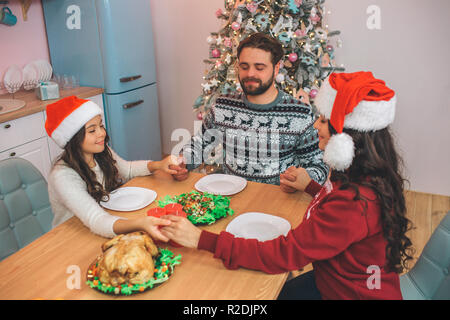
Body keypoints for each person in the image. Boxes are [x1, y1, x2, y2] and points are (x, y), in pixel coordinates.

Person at [160, 71, 414, 300]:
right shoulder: (365, 179)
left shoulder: (353, 203)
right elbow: (339, 214)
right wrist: (312, 188)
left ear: (349, 137)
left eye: (324, 120)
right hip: (337, 278)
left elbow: (285, 254)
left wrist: (200, 239)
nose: (316, 126)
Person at [174, 32, 328, 186]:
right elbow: (200, 144)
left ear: (276, 68)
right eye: (244, 66)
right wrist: (183, 161)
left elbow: (319, 166)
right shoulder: (223, 105)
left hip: (279, 201)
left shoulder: (300, 114)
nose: (250, 74)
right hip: (231, 196)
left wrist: (299, 181)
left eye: (259, 68)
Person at [45, 95, 184, 240]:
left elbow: (128, 170)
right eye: (92, 131)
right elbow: (96, 219)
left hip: (101, 225)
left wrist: (159, 165)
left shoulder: (99, 151)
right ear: (73, 139)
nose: (101, 134)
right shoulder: (62, 175)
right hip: (71, 237)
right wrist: (140, 223)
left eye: (101, 125)